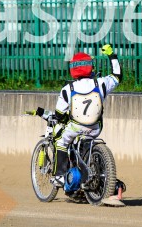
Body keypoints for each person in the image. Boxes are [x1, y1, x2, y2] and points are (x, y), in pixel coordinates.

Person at [26, 44, 122, 188]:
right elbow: (117, 76)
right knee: (84, 139)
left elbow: (59, 115)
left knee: (61, 141)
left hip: (76, 127)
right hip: (95, 128)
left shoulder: (67, 89)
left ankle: (59, 177)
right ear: (90, 67)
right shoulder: (101, 83)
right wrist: (111, 55)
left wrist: (60, 117)